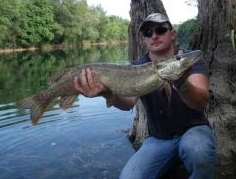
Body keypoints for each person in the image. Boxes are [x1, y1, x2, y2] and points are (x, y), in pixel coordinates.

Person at [74, 13, 217, 179]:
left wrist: (180, 83)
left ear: (172, 34)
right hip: (159, 139)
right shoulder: (137, 66)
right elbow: (128, 103)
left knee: (199, 151)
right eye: (148, 33)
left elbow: (201, 102)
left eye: (160, 30)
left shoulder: (188, 60)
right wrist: (106, 93)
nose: (154, 35)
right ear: (144, 40)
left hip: (194, 131)